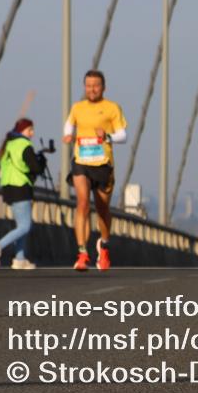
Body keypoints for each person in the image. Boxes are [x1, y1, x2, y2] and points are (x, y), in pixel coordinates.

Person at [63, 70, 128, 271]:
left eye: (96, 85)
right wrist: (68, 135)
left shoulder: (112, 108)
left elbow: (123, 136)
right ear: (85, 87)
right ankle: (82, 253)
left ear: (103, 88)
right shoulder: (77, 107)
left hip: (102, 164)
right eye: (88, 85)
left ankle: (104, 246)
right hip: (81, 161)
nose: (92, 89)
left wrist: (107, 136)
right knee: (82, 203)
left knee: (102, 209)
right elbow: (69, 125)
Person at [0, 118, 46, 270]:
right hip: (21, 186)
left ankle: (20, 259)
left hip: (8, 188)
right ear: (22, 130)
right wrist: (41, 162)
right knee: (25, 226)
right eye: (30, 130)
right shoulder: (24, 145)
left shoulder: (9, 145)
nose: (32, 133)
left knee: (21, 225)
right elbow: (35, 168)